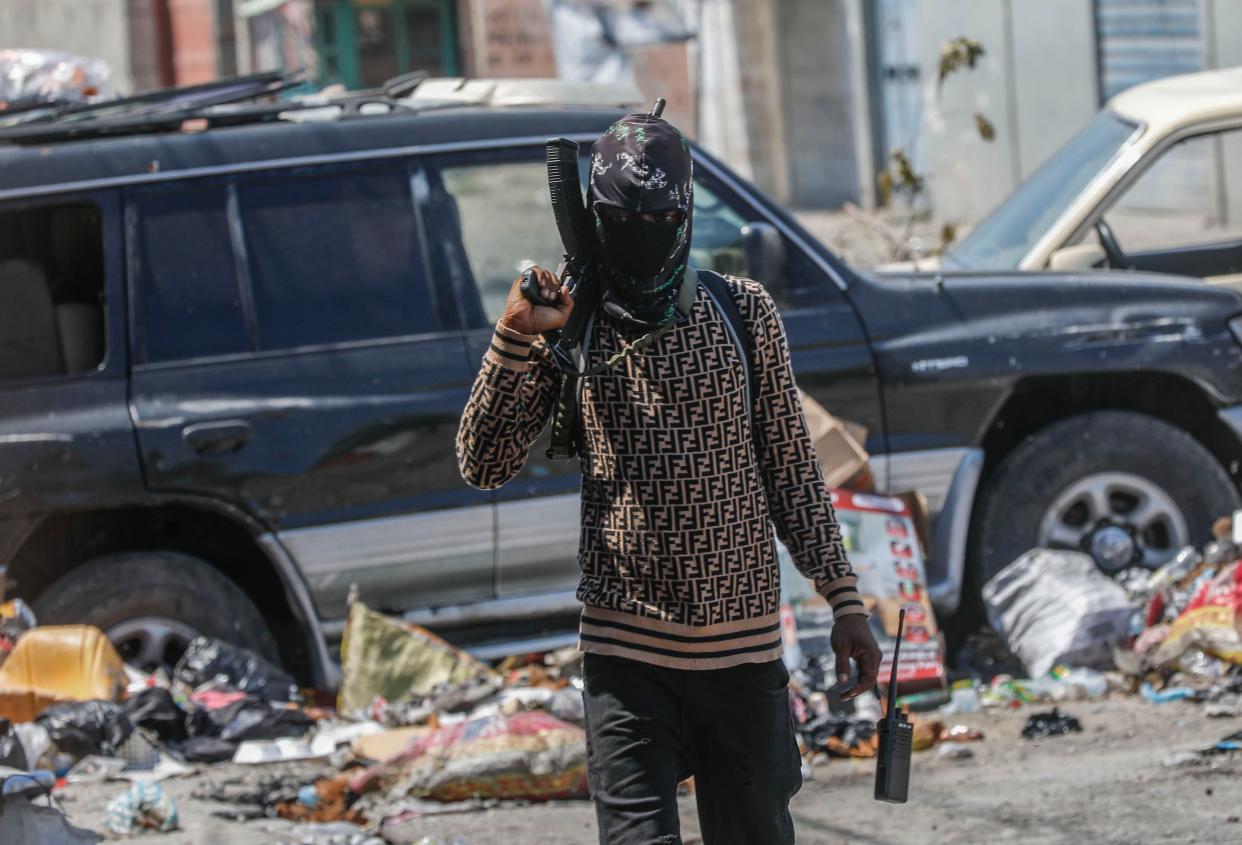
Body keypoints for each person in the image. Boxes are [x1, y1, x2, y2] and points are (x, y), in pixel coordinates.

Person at [456, 109, 881, 845]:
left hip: (743, 660)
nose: (647, 229)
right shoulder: (572, 325)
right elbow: (482, 462)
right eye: (626, 217)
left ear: (684, 213)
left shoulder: (742, 313)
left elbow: (792, 470)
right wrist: (516, 338)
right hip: (627, 661)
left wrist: (844, 599)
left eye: (663, 214)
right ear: (596, 216)